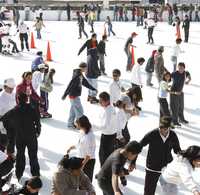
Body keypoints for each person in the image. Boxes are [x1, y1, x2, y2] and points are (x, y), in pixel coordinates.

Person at [1, 93, 41, 181]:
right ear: (27, 99)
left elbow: (4, 119)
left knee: (20, 155)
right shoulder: (32, 108)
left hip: (19, 136)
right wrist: (38, 131)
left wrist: (10, 129)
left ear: (17, 99)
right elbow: (37, 120)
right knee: (33, 155)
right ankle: (36, 174)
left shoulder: (14, 110)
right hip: (31, 136)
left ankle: (19, 174)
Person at [140, 116, 181, 195]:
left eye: (165, 128)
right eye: (161, 127)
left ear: (169, 127)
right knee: (148, 192)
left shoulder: (173, 135)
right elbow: (139, 145)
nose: (162, 130)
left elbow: (177, 150)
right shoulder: (152, 134)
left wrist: (185, 155)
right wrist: (133, 162)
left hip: (167, 168)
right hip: (152, 167)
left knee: (171, 192)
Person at [62, 62, 97, 129]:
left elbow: (85, 82)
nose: (86, 69)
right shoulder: (77, 75)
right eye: (86, 68)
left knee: (73, 110)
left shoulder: (79, 74)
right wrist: (65, 94)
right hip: (73, 95)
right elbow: (70, 84)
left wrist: (93, 88)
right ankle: (80, 125)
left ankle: (70, 124)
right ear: (83, 68)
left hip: (74, 95)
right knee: (79, 110)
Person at [67, 115, 96, 182]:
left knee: (86, 181)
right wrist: (72, 147)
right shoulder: (82, 132)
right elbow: (80, 144)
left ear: (81, 125)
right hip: (81, 158)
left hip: (88, 161)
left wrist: (82, 165)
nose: (76, 126)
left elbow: (89, 155)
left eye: (77, 124)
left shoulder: (89, 137)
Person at [78, 33, 100, 104]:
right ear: (92, 37)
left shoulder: (96, 42)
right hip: (92, 73)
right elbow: (84, 46)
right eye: (95, 37)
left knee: (90, 84)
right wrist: (79, 51)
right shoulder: (88, 41)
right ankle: (92, 98)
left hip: (89, 71)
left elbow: (98, 48)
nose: (95, 39)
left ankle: (89, 96)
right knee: (94, 85)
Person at [98, 92, 118, 167]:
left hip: (107, 136)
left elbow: (105, 125)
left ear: (107, 101)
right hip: (110, 135)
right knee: (105, 155)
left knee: (104, 156)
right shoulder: (109, 108)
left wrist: (92, 128)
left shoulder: (108, 111)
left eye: (101, 101)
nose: (99, 102)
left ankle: (104, 172)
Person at [170, 62, 191, 127]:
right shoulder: (174, 73)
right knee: (174, 107)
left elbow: (189, 76)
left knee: (181, 107)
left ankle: (181, 119)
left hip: (180, 92)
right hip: (173, 92)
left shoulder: (185, 73)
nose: (180, 69)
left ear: (184, 68)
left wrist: (188, 80)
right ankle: (174, 121)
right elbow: (166, 78)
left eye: (181, 68)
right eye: (179, 68)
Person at [0, 78, 16, 156]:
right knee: (4, 139)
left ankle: (10, 153)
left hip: (13, 120)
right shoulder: (1, 97)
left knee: (13, 138)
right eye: (10, 88)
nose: (11, 90)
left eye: (12, 88)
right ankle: (2, 155)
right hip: (3, 121)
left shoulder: (13, 94)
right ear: (5, 87)